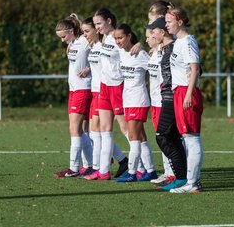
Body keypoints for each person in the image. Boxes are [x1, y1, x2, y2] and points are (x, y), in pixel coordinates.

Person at [80, 17, 129, 179]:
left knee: (116, 130)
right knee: (99, 131)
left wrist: (138, 45)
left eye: (97, 24)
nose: (86, 34)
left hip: (113, 88)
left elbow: (128, 49)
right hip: (101, 89)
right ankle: (105, 168)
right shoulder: (99, 41)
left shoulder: (111, 38)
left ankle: (137, 166)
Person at [145, 17, 188, 190]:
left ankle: (182, 176)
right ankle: (182, 177)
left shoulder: (174, 47)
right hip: (168, 97)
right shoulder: (165, 48)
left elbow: (195, 68)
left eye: (154, 31)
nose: (151, 34)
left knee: (163, 136)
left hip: (172, 96)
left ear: (162, 33)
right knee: (172, 137)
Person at [165, 3, 204, 193]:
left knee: (191, 138)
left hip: (186, 93)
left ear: (180, 22)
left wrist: (188, 94)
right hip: (179, 91)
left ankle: (193, 183)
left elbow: (195, 69)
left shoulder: (188, 41)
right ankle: (192, 181)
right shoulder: (178, 41)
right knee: (186, 137)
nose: (166, 25)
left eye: (169, 21)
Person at [113, 24, 157, 182]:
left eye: (120, 38)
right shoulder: (120, 51)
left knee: (133, 137)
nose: (117, 41)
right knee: (141, 137)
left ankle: (132, 173)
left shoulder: (140, 54)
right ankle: (151, 170)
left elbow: (156, 68)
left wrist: (141, 45)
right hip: (128, 100)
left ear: (129, 36)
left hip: (139, 100)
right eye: (115, 38)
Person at [53, 13, 93, 177]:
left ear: (71, 31)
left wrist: (89, 69)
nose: (62, 40)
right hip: (74, 89)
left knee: (74, 129)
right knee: (80, 129)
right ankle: (92, 164)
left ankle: (74, 169)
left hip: (83, 88)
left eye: (63, 36)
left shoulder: (84, 41)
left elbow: (101, 52)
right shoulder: (74, 43)